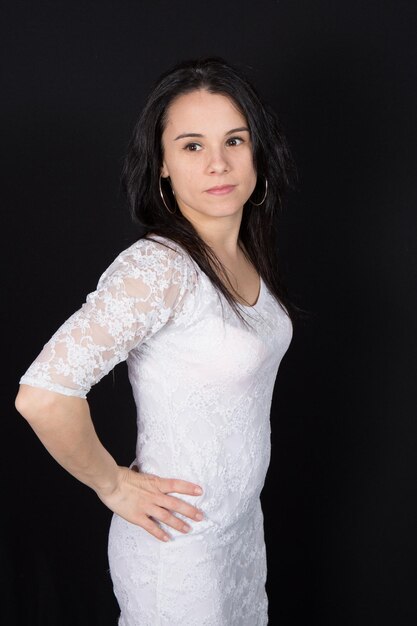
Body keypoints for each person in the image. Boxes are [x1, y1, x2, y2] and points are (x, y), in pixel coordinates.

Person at [15, 56, 299, 625]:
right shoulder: (158, 268)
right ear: (162, 165)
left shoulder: (243, 254)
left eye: (234, 141)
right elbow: (43, 395)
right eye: (192, 146)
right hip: (179, 552)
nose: (218, 163)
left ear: (257, 151)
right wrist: (113, 485)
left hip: (238, 533)